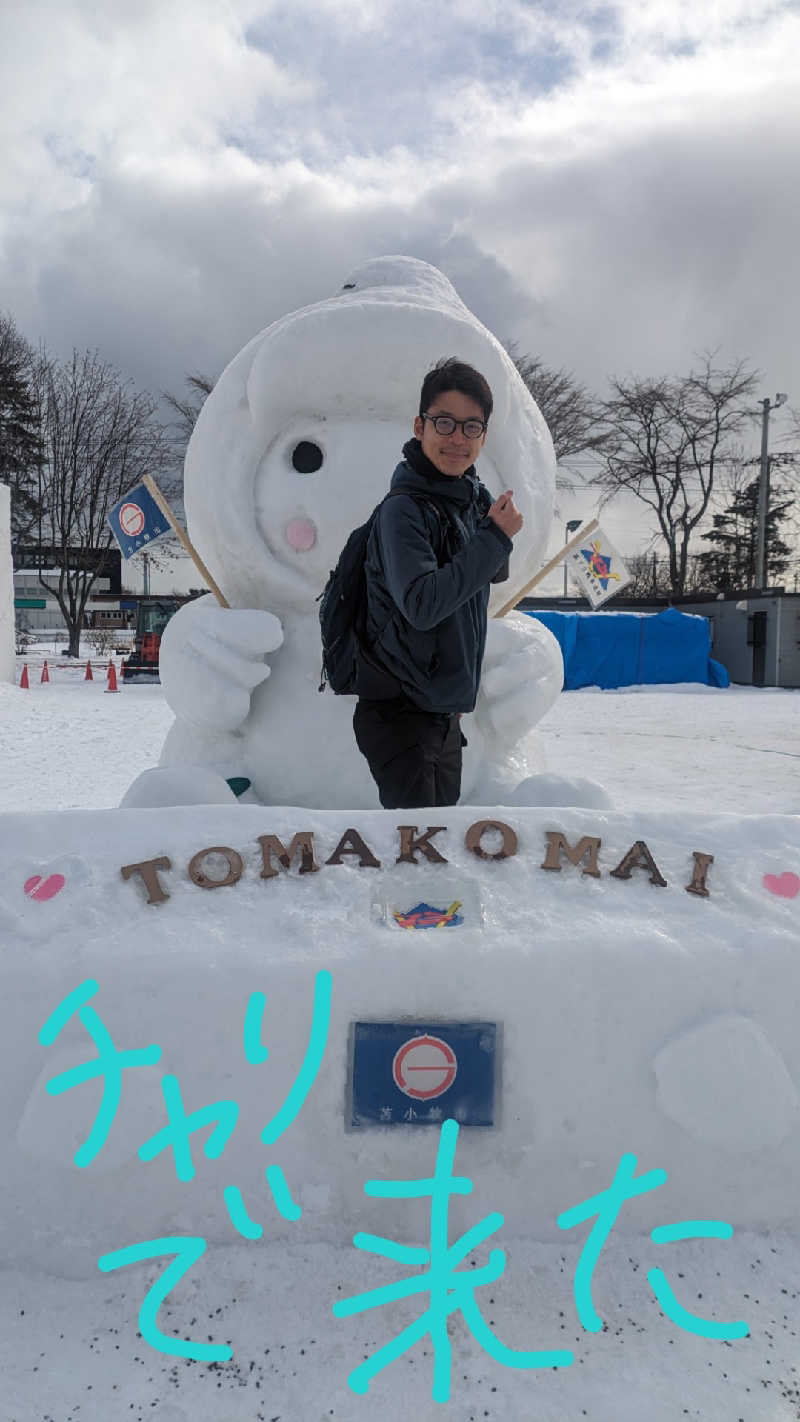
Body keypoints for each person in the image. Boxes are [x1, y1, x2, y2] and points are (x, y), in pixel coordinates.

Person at [353, 356, 523, 809]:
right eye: (444, 422)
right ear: (419, 426)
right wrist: (493, 538)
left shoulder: (466, 500)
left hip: (441, 712)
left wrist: (491, 532)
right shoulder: (403, 509)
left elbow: (487, 578)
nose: (457, 438)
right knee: (418, 860)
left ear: (484, 435)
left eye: (472, 427)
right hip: (400, 715)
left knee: (435, 852)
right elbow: (423, 603)